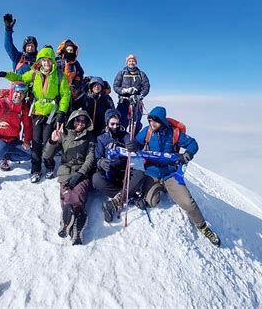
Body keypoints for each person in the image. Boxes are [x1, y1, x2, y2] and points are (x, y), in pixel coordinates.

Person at [128, 106, 221, 247]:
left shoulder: (174, 133)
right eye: (150, 120)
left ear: (162, 121)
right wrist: (133, 144)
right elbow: (138, 142)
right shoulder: (147, 131)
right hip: (152, 171)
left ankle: (203, 227)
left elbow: (193, 143)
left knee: (188, 203)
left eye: (155, 121)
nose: (152, 123)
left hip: (170, 173)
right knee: (152, 201)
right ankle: (160, 189)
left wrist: (188, 154)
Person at [0, 46, 71, 183]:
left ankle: (49, 166)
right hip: (36, 112)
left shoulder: (59, 75)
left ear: (53, 61)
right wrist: (6, 74)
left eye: (49, 60)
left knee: (48, 142)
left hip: (51, 112)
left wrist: (62, 111)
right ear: (40, 61)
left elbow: (65, 94)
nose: (46, 63)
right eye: (44, 60)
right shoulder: (34, 73)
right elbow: (20, 77)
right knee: (36, 142)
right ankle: (35, 169)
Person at [43, 109, 96, 245]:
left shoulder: (89, 137)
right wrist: (53, 141)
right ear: (73, 120)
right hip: (65, 172)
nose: (80, 123)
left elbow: (90, 158)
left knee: (78, 194)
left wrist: (80, 174)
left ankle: (68, 224)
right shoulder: (64, 134)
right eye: (78, 120)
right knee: (66, 192)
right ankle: (75, 225)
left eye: (84, 121)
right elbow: (47, 155)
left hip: (82, 172)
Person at [92, 109, 146, 222]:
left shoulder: (124, 135)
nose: (115, 126)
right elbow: (97, 157)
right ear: (107, 122)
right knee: (96, 179)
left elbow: (131, 142)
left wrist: (133, 145)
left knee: (140, 174)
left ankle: (114, 202)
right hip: (109, 172)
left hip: (123, 171)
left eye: (117, 124)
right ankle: (130, 196)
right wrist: (101, 163)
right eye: (112, 124)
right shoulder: (101, 138)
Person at [113, 54, 150, 134]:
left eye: (133, 61)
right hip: (124, 102)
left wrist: (140, 95)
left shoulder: (141, 74)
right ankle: (120, 138)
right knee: (121, 121)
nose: (131, 62)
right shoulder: (122, 73)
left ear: (136, 62)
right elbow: (116, 86)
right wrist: (125, 90)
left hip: (137, 102)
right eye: (129, 61)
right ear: (127, 63)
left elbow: (146, 86)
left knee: (136, 122)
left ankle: (134, 140)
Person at [56, 39, 85, 105]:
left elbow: (80, 74)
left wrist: (76, 83)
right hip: (57, 89)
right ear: (64, 50)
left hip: (70, 90)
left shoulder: (75, 63)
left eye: (71, 50)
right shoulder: (58, 61)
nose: (69, 52)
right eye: (68, 50)